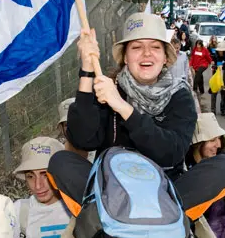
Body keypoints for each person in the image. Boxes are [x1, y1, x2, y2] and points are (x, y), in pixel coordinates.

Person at [62, 12, 196, 181]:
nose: (146, 53)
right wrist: (87, 70)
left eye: (155, 47)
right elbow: (82, 140)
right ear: (125, 57)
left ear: (164, 58)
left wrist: (123, 108)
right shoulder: (110, 88)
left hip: (161, 191)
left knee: (223, 165)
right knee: (62, 162)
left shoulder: (179, 95)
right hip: (112, 189)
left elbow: (171, 153)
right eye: (137, 47)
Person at [211, 41, 225, 116]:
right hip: (216, 77)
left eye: (221, 51)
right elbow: (212, 66)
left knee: (223, 94)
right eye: (219, 51)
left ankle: (222, 110)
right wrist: (215, 66)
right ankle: (213, 110)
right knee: (214, 93)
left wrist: (223, 67)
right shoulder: (215, 56)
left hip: (223, 78)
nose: (220, 52)